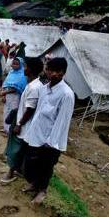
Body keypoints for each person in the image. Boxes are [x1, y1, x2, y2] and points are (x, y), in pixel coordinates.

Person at [23, 57, 74, 204]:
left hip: (50, 140)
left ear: (61, 73)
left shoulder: (66, 94)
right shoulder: (45, 89)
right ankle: (34, 184)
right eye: (48, 69)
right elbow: (38, 112)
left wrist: (51, 143)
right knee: (33, 164)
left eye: (52, 71)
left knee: (46, 167)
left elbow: (62, 122)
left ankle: (42, 191)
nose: (48, 72)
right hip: (36, 134)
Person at [1, 57, 44, 185]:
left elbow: (30, 109)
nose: (24, 69)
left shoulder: (34, 87)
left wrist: (19, 124)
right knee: (20, 149)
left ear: (31, 70)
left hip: (24, 125)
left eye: (25, 67)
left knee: (16, 149)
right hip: (22, 121)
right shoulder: (31, 84)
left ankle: (11, 172)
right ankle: (19, 170)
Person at [1, 58, 27, 134]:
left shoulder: (22, 75)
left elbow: (17, 88)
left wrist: (5, 93)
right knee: (6, 111)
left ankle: (10, 130)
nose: (14, 65)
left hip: (15, 96)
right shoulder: (11, 73)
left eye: (17, 64)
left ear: (21, 65)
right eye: (13, 63)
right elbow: (5, 84)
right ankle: (5, 128)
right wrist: (4, 96)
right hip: (7, 95)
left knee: (13, 112)